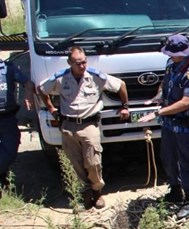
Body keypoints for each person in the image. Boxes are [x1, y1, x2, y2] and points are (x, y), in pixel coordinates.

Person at [39, 46, 129, 209]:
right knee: (75, 163)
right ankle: (85, 193)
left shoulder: (95, 76)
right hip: (68, 125)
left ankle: (97, 191)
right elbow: (42, 89)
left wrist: (125, 106)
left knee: (93, 162)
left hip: (89, 124)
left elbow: (120, 85)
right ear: (69, 63)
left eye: (84, 62)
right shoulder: (61, 78)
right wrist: (51, 108)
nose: (82, 66)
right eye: (77, 63)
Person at [138, 34, 189, 220]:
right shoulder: (171, 64)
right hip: (169, 123)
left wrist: (159, 112)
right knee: (168, 157)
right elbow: (165, 83)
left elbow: (186, 101)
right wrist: (158, 97)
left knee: (187, 162)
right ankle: (175, 190)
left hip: (184, 124)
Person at [0, 57, 35, 198]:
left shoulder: (8, 69)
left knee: (10, 150)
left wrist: (28, 95)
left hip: (7, 118)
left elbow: (28, 83)